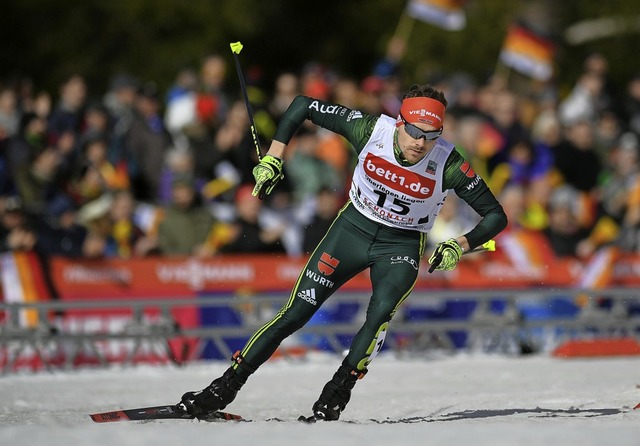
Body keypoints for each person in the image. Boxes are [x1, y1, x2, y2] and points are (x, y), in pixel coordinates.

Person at [178, 84, 508, 421]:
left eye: (431, 135)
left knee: (379, 314)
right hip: (351, 231)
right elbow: (302, 105)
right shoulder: (369, 129)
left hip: (401, 244)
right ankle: (224, 387)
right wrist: (274, 156)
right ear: (399, 122)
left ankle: (336, 393)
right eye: (413, 132)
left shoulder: (448, 162)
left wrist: (459, 245)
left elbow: (496, 215)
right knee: (295, 313)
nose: (419, 143)